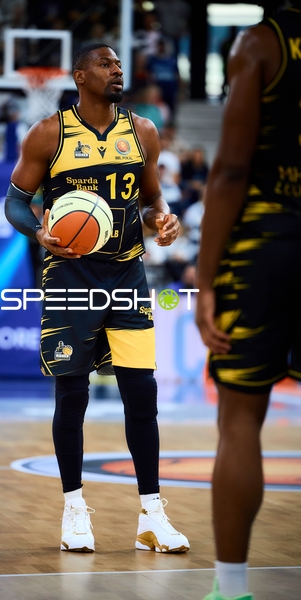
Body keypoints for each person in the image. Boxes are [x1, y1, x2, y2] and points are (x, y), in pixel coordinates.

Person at [5, 43, 190, 554]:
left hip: (127, 274)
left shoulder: (143, 131)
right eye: (106, 64)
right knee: (72, 394)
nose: (117, 70)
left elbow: (151, 199)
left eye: (119, 65)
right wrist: (38, 233)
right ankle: (73, 510)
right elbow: (16, 203)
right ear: (80, 76)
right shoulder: (49, 134)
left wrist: (162, 219)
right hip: (70, 275)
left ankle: (152, 515)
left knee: (142, 395)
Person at [195, 2, 301, 599]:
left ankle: (231, 589)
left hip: (267, 244)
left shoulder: (260, 44)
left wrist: (207, 280)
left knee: (239, 421)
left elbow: (232, 170)